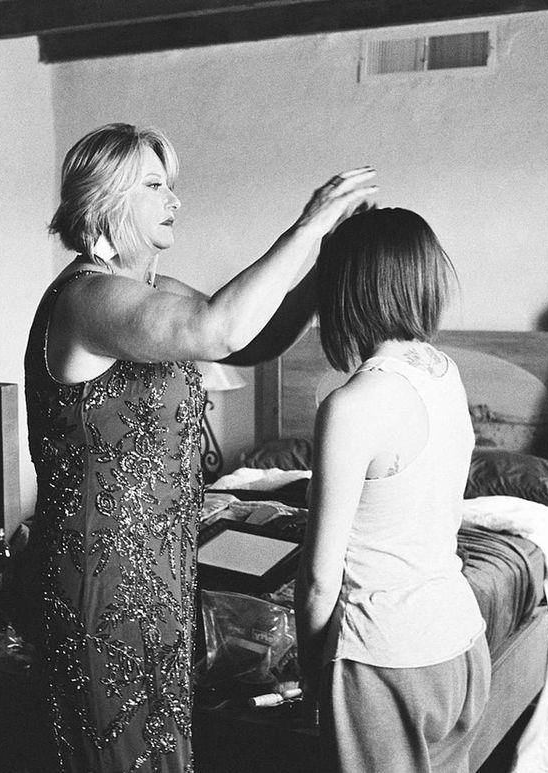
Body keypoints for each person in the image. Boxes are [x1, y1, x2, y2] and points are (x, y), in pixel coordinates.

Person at [22, 122, 375, 772]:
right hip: (100, 571)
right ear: (106, 197)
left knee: (158, 743)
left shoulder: (154, 290)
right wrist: (306, 227)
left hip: (160, 561)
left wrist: (330, 253)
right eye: (154, 185)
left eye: (171, 185)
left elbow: (250, 339)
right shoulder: (87, 297)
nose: (174, 199)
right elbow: (216, 330)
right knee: (114, 748)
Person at [295, 207, 490, 772]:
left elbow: (317, 580)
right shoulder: (442, 370)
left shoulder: (352, 407)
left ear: (343, 291)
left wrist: (312, 672)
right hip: (460, 639)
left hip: (385, 657)